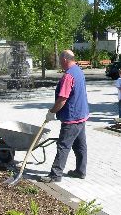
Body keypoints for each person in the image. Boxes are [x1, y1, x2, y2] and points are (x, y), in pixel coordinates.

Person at [40, 50, 89, 183]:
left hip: (72, 117)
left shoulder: (68, 76)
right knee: (80, 145)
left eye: (60, 60)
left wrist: (52, 112)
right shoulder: (78, 71)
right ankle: (80, 171)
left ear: (65, 59)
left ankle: (55, 175)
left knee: (63, 145)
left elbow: (62, 99)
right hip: (81, 115)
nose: (59, 63)